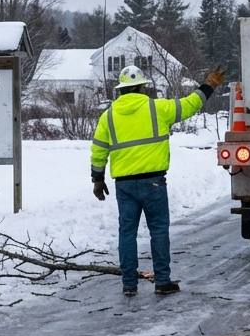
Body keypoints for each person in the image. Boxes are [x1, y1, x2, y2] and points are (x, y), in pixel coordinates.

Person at [91, 65, 224, 297]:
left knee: (127, 233)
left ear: (121, 90)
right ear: (142, 87)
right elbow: (191, 104)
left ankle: (129, 284)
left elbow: (99, 150)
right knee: (159, 231)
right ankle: (162, 281)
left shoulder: (108, 116)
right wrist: (209, 85)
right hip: (153, 183)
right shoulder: (158, 108)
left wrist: (97, 179)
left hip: (124, 185)